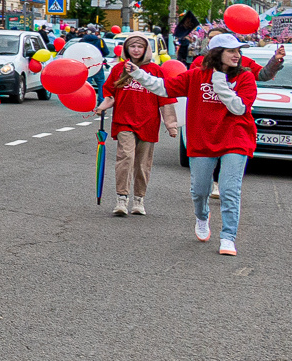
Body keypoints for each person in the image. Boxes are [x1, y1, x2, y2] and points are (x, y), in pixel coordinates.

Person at [182, 32, 256, 254]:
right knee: (200, 190)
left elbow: (239, 108)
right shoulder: (197, 75)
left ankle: (228, 237)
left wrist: (220, 83)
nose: (237, 55)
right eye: (231, 51)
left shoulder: (245, 77)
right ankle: (202, 216)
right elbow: (165, 87)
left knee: (229, 189)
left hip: (236, 137)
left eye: (238, 51)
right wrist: (138, 74)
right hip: (204, 137)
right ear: (217, 53)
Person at [96, 29, 179, 216]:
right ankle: (121, 199)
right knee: (125, 157)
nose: (135, 50)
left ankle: (139, 200)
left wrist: (171, 125)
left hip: (148, 123)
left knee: (142, 163)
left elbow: (165, 99)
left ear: (146, 49)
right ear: (126, 48)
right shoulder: (119, 69)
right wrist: (102, 107)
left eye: (139, 46)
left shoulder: (155, 71)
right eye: (132, 46)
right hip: (124, 121)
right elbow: (109, 93)